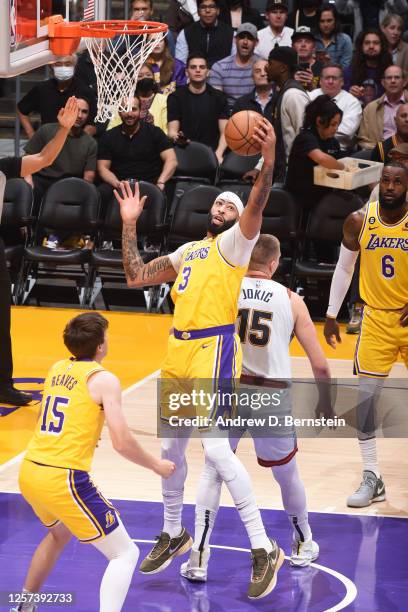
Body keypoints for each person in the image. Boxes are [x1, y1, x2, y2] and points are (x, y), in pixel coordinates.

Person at [116, 120, 286, 599]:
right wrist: (129, 223)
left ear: (237, 221)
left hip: (213, 350)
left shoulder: (235, 247)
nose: (221, 205)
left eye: (228, 204)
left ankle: (262, 546)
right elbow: (133, 277)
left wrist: (268, 161)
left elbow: (258, 200)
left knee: (213, 451)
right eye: (216, 201)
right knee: (170, 454)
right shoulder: (187, 251)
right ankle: (173, 532)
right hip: (178, 350)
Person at [181, 234, 331, 582]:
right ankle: (303, 542)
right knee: (286, 474)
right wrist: (324, 402)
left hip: (226, 391)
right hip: (270, 395)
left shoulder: (224, 290)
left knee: (212, 472)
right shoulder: (292, 300)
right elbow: (321, 365)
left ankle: (199, 556)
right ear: (274, 264)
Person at [12, 312, 175, 612]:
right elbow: (122, 442)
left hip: (30, 470)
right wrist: (156, 465)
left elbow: (43, 418)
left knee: (59, 534)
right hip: (63, 478)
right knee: (125, 553)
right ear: (100, 346)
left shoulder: (57, 368)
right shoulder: (104, 380)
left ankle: (24, 607)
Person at [324, 163, 408, 507]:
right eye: (385, 180)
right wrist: (331, 314)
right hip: (375, 319)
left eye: (398, 182)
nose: (390, 186)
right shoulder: (359, 220)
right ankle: (372, 477)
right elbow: (345, 267)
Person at [0, 97, 79, 407]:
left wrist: (62, 129)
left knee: (1, 321)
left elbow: (45, 158)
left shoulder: (4, 166)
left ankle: (3, 385)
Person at [285, 94, 344, 260]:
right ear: (319, 121)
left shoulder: (333, 143)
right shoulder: (306, 138)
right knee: (301, 245)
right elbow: (322, 159)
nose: (336, 129)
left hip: (323, 199)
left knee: (325, 247)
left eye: (337, 124)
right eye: (333, 124)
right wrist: (345, 167)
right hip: (300, 202)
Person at [97, 95, 176, 214]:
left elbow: (172, 160)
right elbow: (102, 168)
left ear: (140, 111)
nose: (129, 113)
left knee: (167, 191)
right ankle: (102, 232)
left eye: (133, 109)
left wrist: (161, 182)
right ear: (119, 112)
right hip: (120, 184)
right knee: (102, 191)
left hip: (151, 184)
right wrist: (117, 184)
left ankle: (158, 231)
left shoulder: (154, 132)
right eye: (125, 109)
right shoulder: (108, 136)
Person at [23, 97, 97, 215]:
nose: (80, 115)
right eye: (76, 110)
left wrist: (82, 191)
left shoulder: (90, 143)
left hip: (68, 184)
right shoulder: (46, 130)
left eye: (84, 112)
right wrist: (28, 183)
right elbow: (27, 158)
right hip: (42, 181)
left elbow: (88, 177)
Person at [248, 46, 310, 184]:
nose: (266, 68)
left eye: (270, 63)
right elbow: (275, 140)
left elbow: (308, 138)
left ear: (282, 68)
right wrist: (259, 167)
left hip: (297, 174)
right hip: (283, 172)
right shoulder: (281, 94)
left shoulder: (293, 95)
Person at [167, 54, 229, 162]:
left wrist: (218, 154)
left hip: (213, 152)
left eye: (202, 67)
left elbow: (225, 132)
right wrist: (178, 137)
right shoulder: (175, 97)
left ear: (208, 72)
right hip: (184, 151)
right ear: (186, 72)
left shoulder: (219, 97)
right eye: (193, 67)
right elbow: (172, 131)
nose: (198, 70)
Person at [17, 55, 97, 138]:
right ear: (51, 66)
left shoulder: (85, 90)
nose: (63, 68)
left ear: (74, 66)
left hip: (74, 143)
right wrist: (32, 135)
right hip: (48, 143)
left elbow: (92, 124)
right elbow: (22, 110)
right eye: (58, 64)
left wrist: (80, 143)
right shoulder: (42, 88)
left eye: (68, 64)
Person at [309, 63, 362, 154]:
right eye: (327, 78)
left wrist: (313, 131)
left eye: (334, 78)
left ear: (342, 82)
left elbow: (346, 132)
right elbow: (300, 124)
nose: (330, 81)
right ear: (320, 81)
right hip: (310, 147)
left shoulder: (352, 102)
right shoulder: (309, 97)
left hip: (339, 151)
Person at [209, 23, 260, 111]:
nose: (245, 42)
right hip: (228, 116)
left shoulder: (263, 66)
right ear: (235, 40)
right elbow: (217, 102)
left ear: (256, 43)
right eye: (242, 37)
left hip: (255, 114)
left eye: (250, 38)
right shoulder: (220, 67)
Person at [357, 65, 408, 150]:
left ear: (404, 82)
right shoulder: (371, 108)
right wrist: (379, 150)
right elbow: (363, 140)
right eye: (389, 78)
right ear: (383, 83)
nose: (393, 81)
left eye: (397, 77)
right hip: (377, 152)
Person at [175, 0, 235, 67]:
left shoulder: (231, 34)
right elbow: (181, 65)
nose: (207, 10)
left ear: (218, 11)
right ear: (198, 12)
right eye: (203, 7)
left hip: (223, 76)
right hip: (194, 76)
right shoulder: (185, 33)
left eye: (211, 7)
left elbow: (235, 64)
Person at [343, 29, 393, 105]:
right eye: (367, 43)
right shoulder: (349, 72)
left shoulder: (391, 72)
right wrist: (349, 95)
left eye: (376, 43)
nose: (371, 46)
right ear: (361, 46)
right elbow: (342, 100)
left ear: (382, 46)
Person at [335, 0, 408, 42]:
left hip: (384, 43)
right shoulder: (356, 2)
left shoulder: (386, 2)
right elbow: (339, 8)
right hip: (361, 42)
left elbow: (403, 8)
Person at [233, 59, 275, 123]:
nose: (263, 74)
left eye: (266, 70)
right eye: (258, 71)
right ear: (252, 77)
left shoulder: (281, 98)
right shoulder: (241, 103)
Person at [314, 4, 352, 69]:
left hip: (336, 77)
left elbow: (346, 69)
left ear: (335, 21)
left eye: (329, 21)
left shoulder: (345, 40)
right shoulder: (312, 40)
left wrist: (330, 64)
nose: (325, 25)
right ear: (318, 23)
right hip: (314, 77)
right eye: (322, 21)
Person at [292, 26, 324, 92]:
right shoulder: (286, 68)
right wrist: (292, 83)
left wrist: (313, 85)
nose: (303, 45)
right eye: (299, 41)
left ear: (314, 47)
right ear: (293, 47)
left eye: (307, 41)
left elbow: (329, 94)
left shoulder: (323, 68)